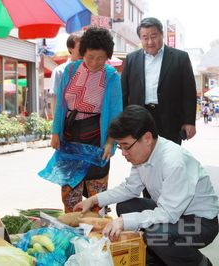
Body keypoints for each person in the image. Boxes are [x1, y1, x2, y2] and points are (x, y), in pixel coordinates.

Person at [74, 105, 219, 266]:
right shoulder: (143, 156)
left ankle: (200, 263)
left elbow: (169, 214)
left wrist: (124, 222)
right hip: (174, 212)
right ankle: (155, 258)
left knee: (156, 235)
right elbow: (130, 188)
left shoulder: (173, 162)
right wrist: (94, 200)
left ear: (147, 138)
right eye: (120, 147)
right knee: (126, 207)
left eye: (126, 146)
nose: (123, 153)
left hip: (200, 223)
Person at [48, 27, 123, 213]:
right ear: (83, 53)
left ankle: (95, 233)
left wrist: (110, 142)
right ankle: (71, 231)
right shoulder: (70, 70)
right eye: (90, 56)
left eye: (100, 58)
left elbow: (115, 112)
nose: (95, 62)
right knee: (70, 192)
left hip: (96, 137)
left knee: (95, 193)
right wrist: (55, 132)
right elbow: (60, 105)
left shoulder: (112, 76)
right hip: (69, 134)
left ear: (107, 56)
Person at [121, 17, 197, 145]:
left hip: (170, 119)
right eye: (145, 37)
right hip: (139, 118)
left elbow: (188, 93)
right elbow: (123, 92)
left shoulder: (180, 58)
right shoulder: (131, 59)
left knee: (169, 159)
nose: (150, 41)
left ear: (162, 34)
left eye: (154, 36)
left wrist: (189, 121)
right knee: (140, 159)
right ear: (140, 38)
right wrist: (122, 120)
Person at [50, 32, 83, 117]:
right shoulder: (60, 71)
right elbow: (55, 98)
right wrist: (56, 125)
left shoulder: (91, 70)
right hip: (67, 120)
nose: (83, 50)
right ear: (70, 48)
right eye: (80, 47)